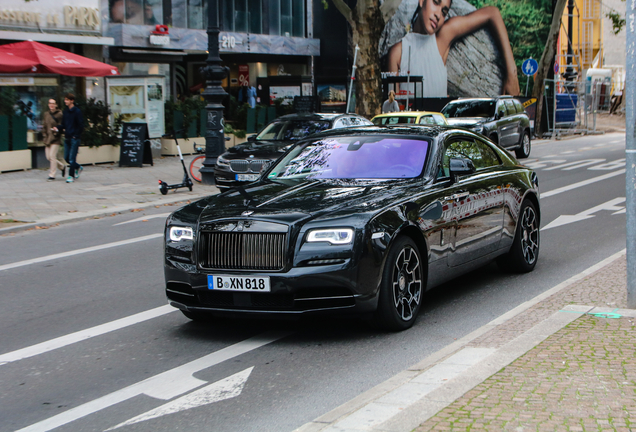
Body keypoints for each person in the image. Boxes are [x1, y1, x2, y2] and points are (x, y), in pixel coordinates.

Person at [387, 0, 519, 97]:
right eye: (436, 2)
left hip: (441, 131)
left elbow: (492, 13)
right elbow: (393, 109)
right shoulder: (397, 53)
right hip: (413, 133)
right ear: (422, 1)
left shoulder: (442, 38)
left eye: (444, 12)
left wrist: (512, 74)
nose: (438, 15)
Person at [54, 93, 84, 183]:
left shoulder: (77, 111)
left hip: (74, 138)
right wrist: (58, 128)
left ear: (72, 100)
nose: (65, 101)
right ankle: (77, 167)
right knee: (66, 158)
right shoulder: (65, 111)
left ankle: (71, 176)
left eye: (67, 100)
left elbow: (81, 125)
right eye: (65, 100)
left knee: (72, 158)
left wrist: (76, 135)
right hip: (67, 137)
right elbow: (64, 124)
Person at [42, 99, 65, 181]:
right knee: (48, 157)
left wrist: (57, 130)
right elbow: (44, 125)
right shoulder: (46, 114)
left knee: (52, 156)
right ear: (48, 105)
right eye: (50, 103)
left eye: (53, 104)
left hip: (55, 138)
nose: (51, 105)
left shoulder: (59, 114)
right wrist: (44, 135)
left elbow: (62, 125)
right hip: (48, 138)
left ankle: (52, 175)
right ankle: (62, 166)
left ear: (56, 105)